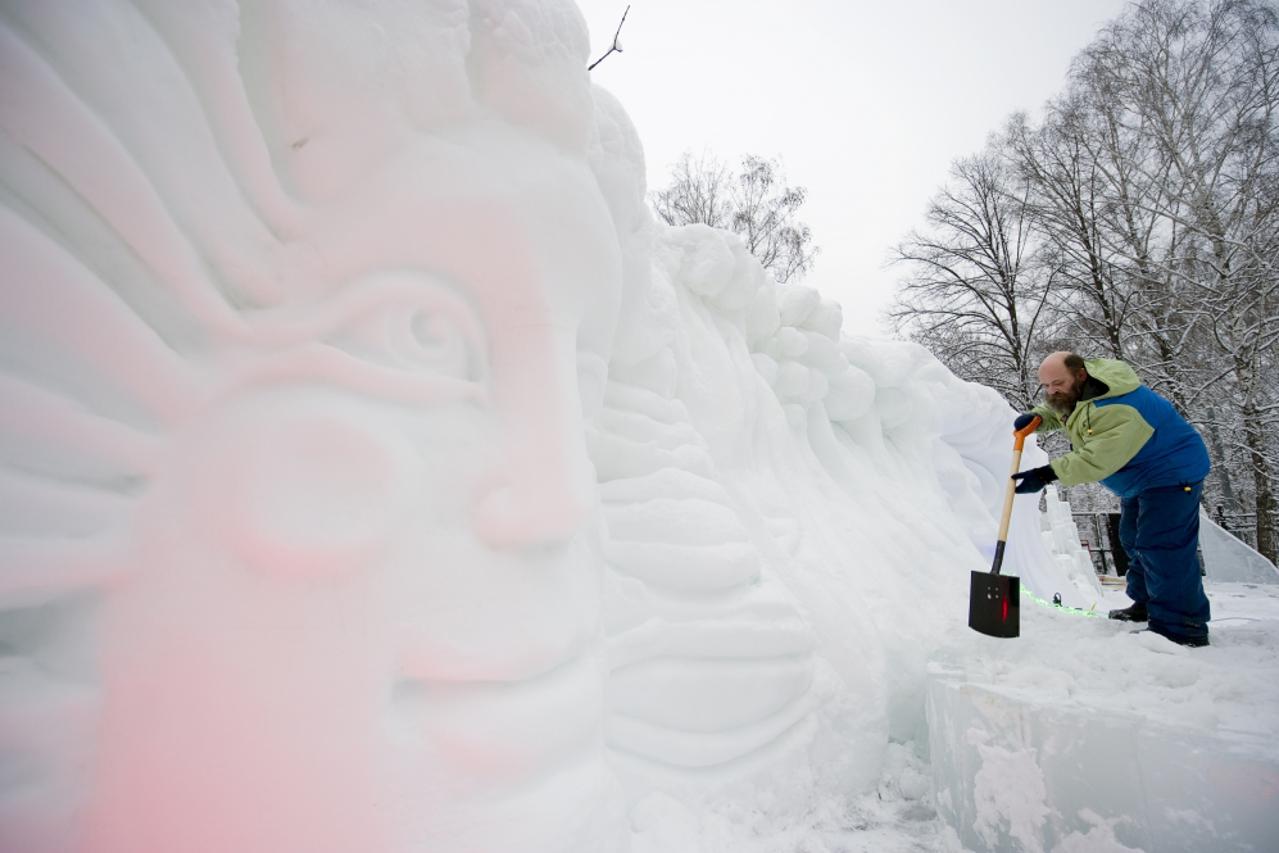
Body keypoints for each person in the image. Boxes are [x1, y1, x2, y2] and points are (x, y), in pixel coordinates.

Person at [1011, 352, 1212, 647]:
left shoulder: (1120, 408)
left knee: (1161, 545)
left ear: (1080, 375)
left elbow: (1096, 458)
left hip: (1171, 474)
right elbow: (1068, 408)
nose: (1052, 391)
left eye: (1057, 383)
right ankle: (1147, 604)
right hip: (1141, 477)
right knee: (1132, 539)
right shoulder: (1084, 390)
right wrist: (1040, 416)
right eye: (1046, 386)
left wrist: (1045, 474)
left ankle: (1182, 626)